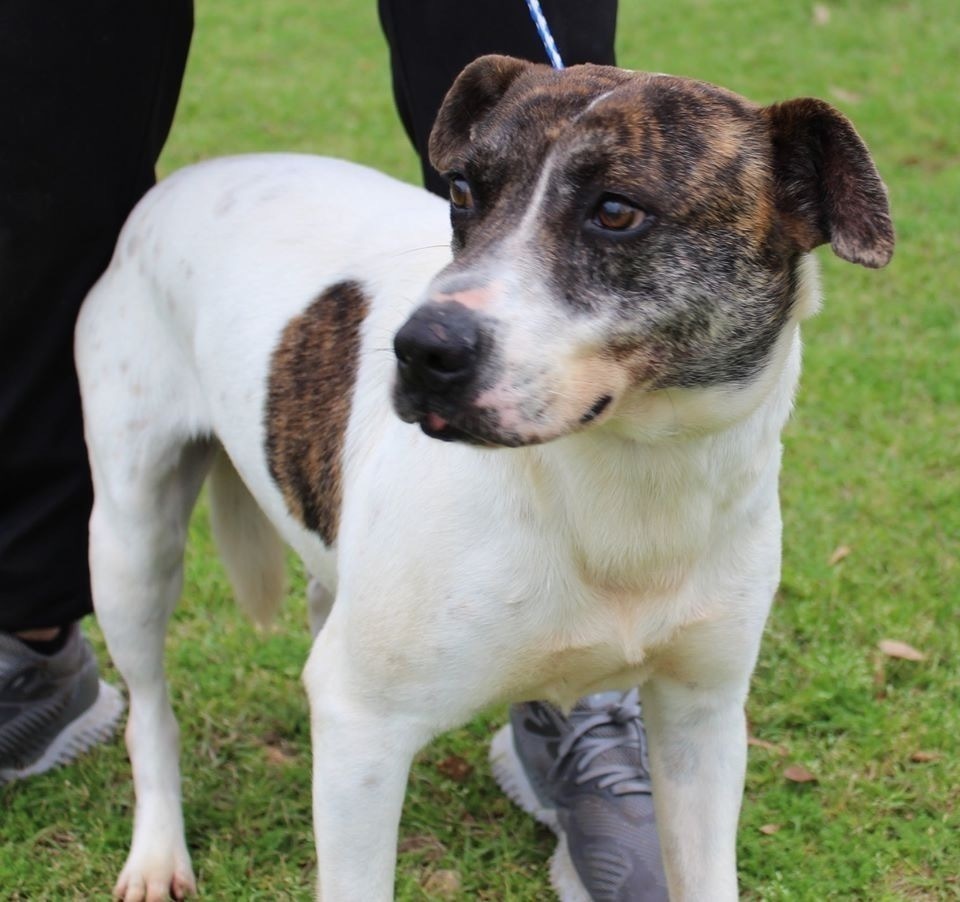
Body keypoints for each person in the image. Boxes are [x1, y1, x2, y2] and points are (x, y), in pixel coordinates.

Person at [1, 2, 666, 898]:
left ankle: (577, 704)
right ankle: (73, 684)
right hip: (147, 295)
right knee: (42, 129)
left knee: (559, 141)